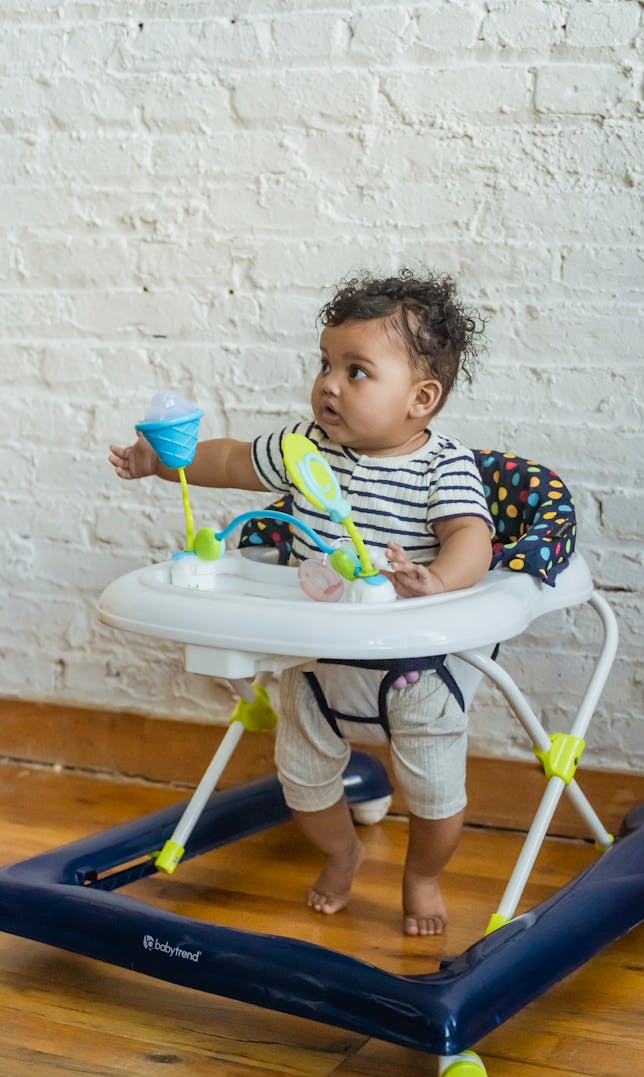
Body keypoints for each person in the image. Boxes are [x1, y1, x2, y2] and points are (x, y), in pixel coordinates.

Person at [110, 271, 493, 936]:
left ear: (421, 398)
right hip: (314, 662)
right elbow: (229, 461)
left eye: (357, 371)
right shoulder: (304, 450)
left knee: (436, 798)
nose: (329, 383)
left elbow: (472, 537)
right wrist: (162, 461)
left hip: (413, 668)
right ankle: (341, 852)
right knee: (304, 781)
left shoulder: (444, 467)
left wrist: (437, 578)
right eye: (325, 363)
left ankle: (422, 874)